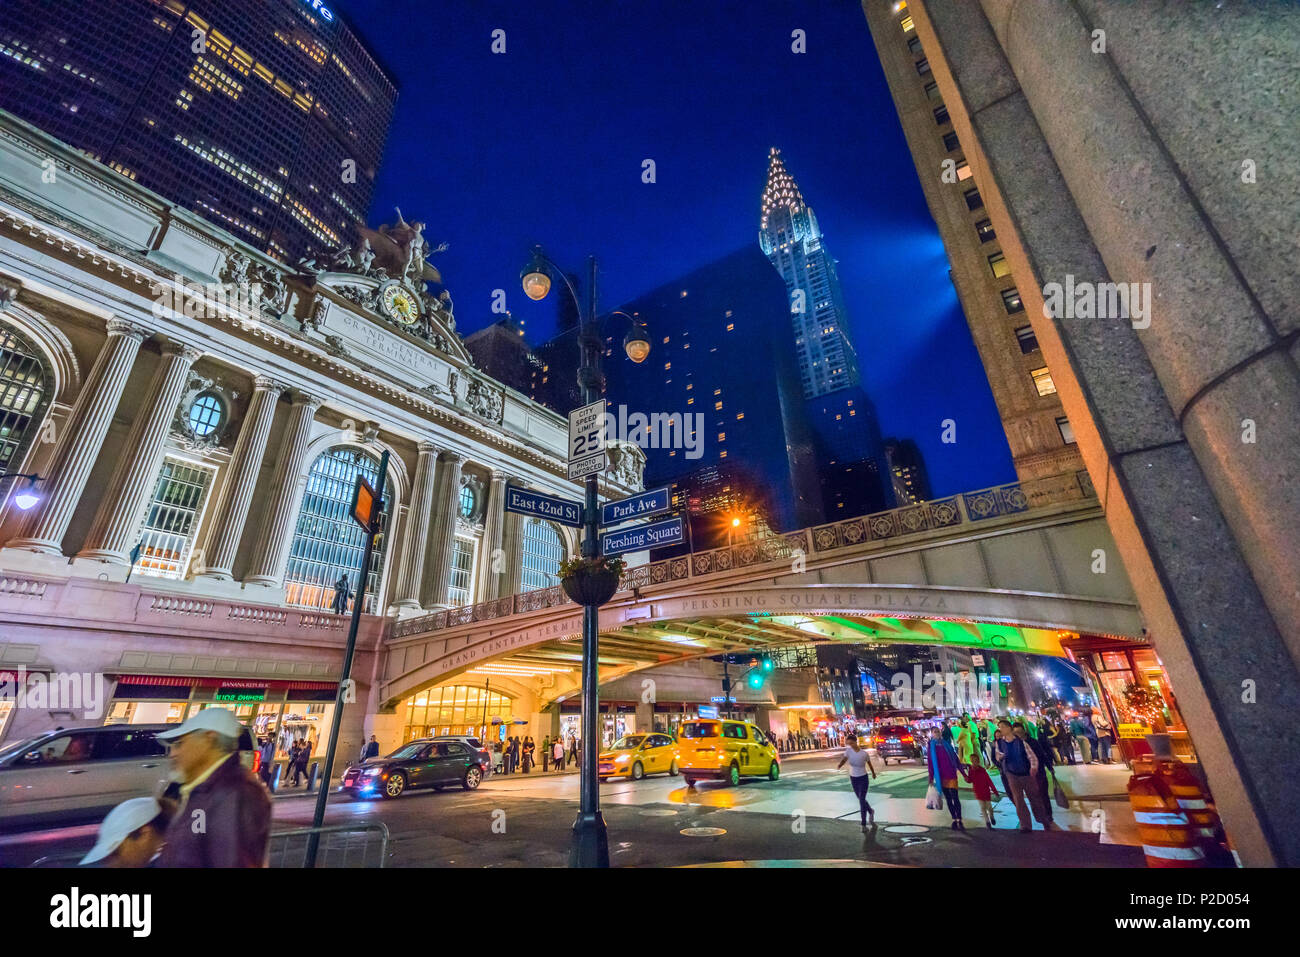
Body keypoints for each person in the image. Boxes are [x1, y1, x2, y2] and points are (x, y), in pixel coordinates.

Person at [155, 707, 272, 867]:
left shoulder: (235, 793)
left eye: (180, 743)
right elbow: (195, 841)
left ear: (209, 739)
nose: (173, 754)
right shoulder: (204, 789)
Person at [994, 719, 1051, 832]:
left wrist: (1033, 769)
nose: (1001, 730)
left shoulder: (1020, 742)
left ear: (1009, 728)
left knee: (1034, 798)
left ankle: (1043, 820)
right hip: (1011, 774)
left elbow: (1032, 756)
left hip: (1025, 773)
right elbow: (997, 755)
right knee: (1018, 800)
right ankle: (1025, 825)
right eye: (1000, 727)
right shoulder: (999, 743)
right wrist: (1001, 757)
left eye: (1003, 727)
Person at [80, 797, 170, 868]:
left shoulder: (177, 859)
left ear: (145, 834)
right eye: (105, 858)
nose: (109, 864)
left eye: (115, 853)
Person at [926, 726, 967, 830]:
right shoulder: (931, 747)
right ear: (932, 734)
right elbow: (930, 764)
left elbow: (956, 759)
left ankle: (959, 818)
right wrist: (930, 777)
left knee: (955, 798)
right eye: (935, 732)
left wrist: (963, 773)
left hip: (951, 775)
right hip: (941, 777)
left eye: (938, 731)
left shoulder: (947, 744)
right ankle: (954, 818)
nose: (937, 733)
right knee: (949, 799)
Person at [836, 733, 879, 831]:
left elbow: (869, 764)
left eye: (851, 743)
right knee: (861, 798)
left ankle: (863, 824)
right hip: (853, 778)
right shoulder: (848, 751)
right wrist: (839, 765)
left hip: (863, 778)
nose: (850, 745)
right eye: (848, 744)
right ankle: (870, 811)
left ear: (856, 742)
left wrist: (873, 773)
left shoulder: (864, 754)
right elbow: (844, 760)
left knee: (861, 800)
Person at [1016, 722, 1057, 825]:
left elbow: (1042, 755)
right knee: (1034, 797)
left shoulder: (1033, 742)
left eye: (1019, 732)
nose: (1018, 735)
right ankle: (1040, 816)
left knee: (1043, 794)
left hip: (1039, 772)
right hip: (1026, 775)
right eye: (1016, 733)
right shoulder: (1016, 745)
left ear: (1024, 732)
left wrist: (1049, 766)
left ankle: (1048, 815)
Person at [966, 752, 1000, 828]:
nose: (974, 763)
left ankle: (991, 817)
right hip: (978, 792)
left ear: (978, 761)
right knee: (983, 807)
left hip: (986, 791)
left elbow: (989, 781)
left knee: (989, 807)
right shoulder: (971, 771)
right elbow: (970, 780)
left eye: (975, 761)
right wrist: (966, 778)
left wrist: (995, 791)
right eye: (972, 761)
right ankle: (987, 821)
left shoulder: (982, 770)